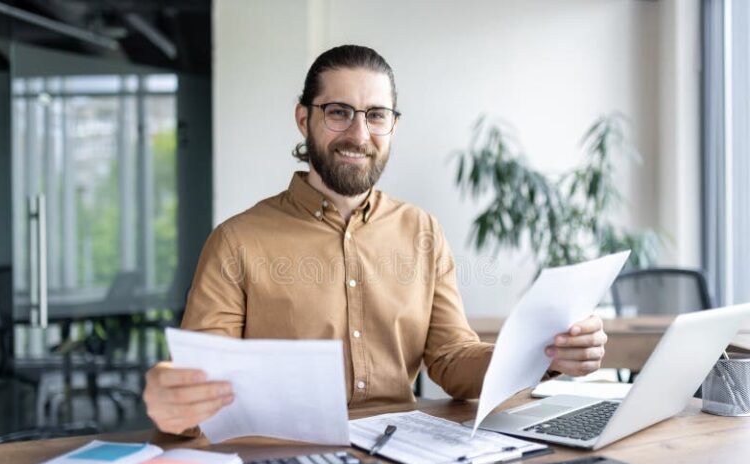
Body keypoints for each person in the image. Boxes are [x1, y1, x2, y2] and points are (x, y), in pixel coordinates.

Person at [143, 45, 608, 436]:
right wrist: (173, 400)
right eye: (338, 113)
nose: (359, 134)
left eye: (376, 115)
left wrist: (545, 353)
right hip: (282, 456)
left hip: (403, 450)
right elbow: (198, 384)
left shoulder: (422, 230)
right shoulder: (236, 241)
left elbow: (451, 360)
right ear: (304, 118)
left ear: (392, 125)